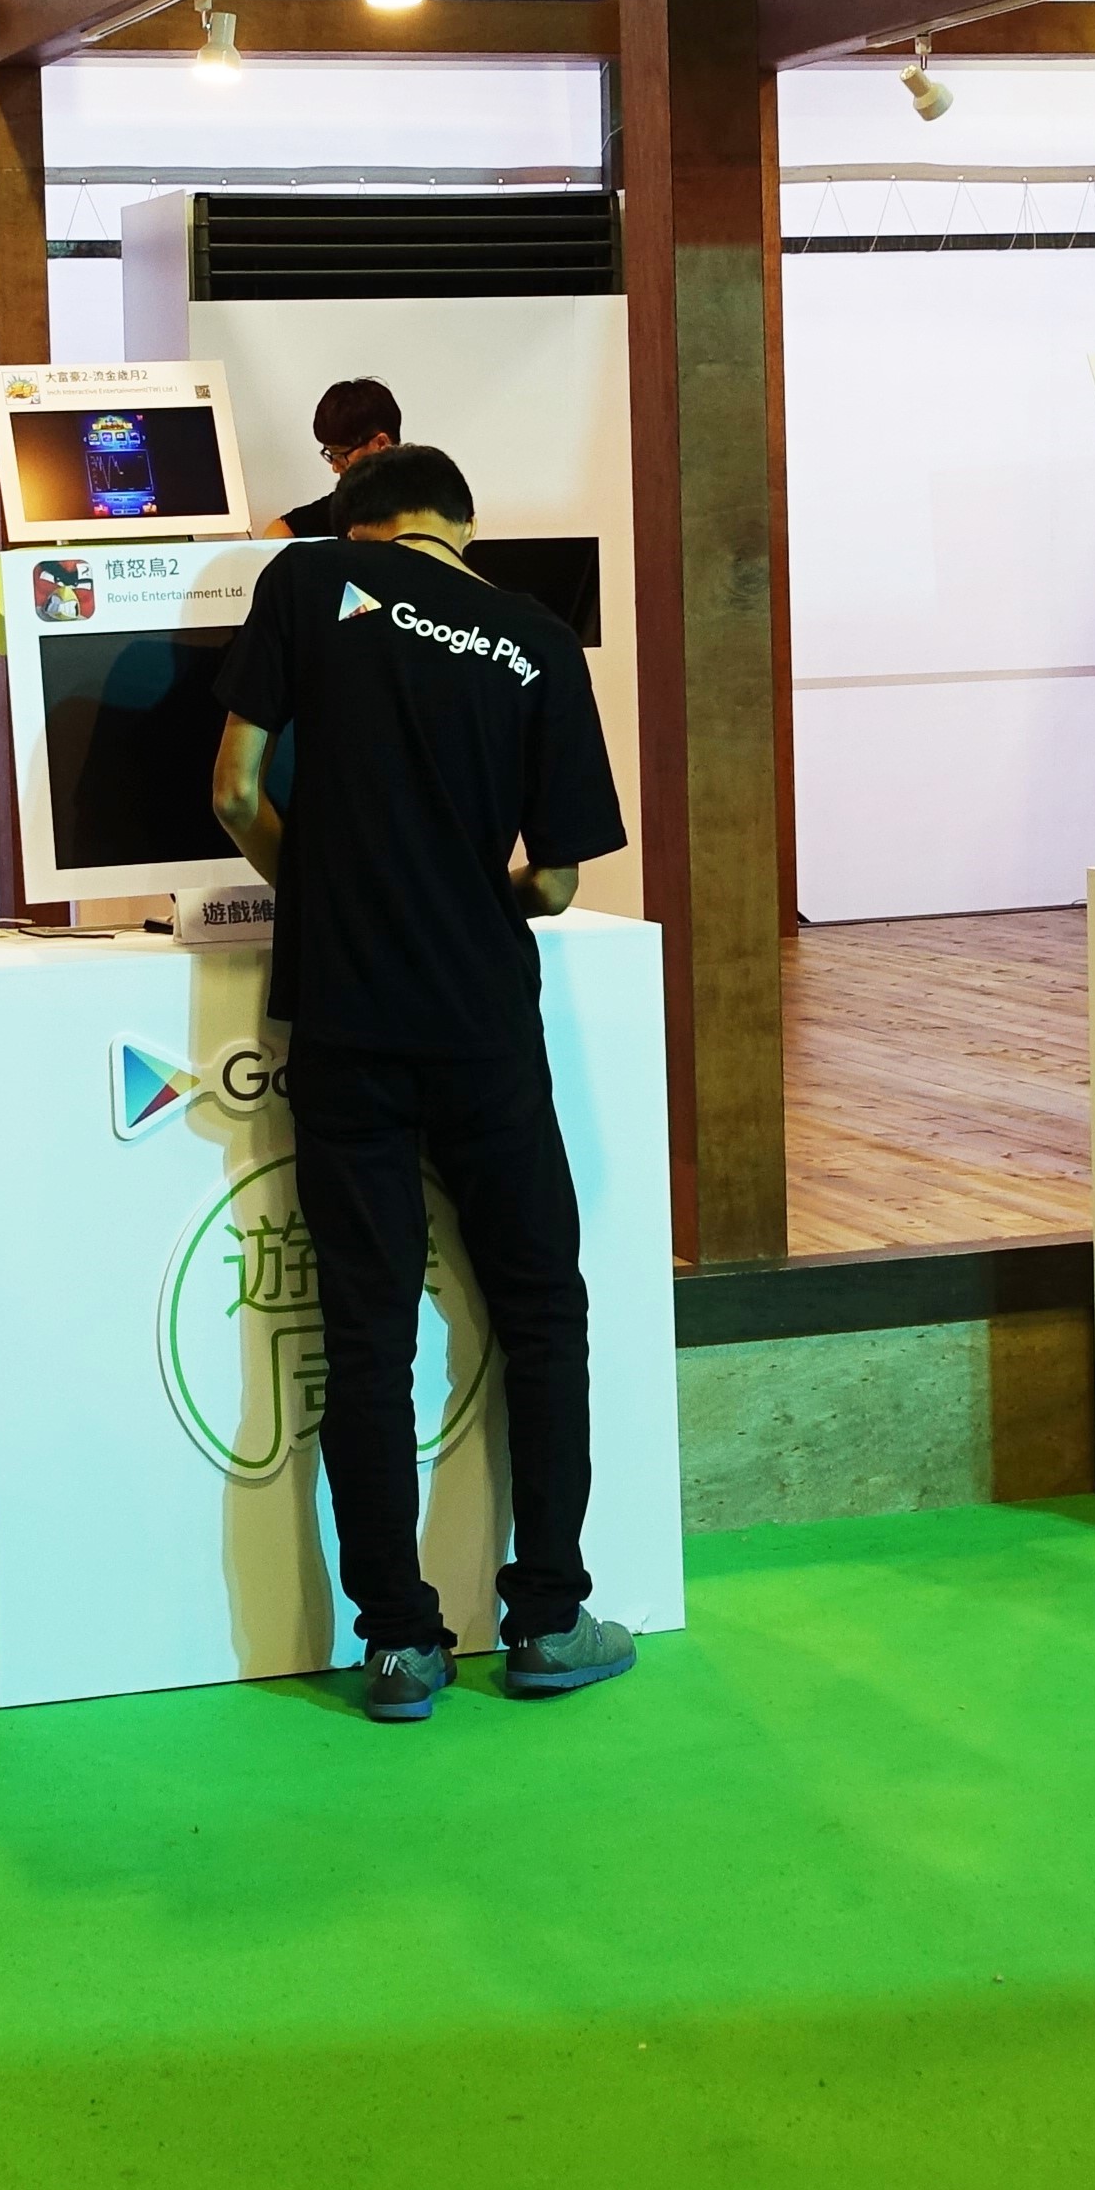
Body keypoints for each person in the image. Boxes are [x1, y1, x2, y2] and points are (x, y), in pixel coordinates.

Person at [206, 440, 640, 1723]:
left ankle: (398, 1645)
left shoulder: (306, 583)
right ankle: (548, 1619)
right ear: (463, 528)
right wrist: (472, 896)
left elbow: (234, 790)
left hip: (345, 1022)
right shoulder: (537, 640)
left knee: (367, 1332)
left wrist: (322, 893)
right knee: (540, 1311)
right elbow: (556, 878)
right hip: (481, 1023)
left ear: (359, 525)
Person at [269, 378, 406, 538]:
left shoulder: (423, 503)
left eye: (341, 455)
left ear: (381, 444)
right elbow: (279, 531)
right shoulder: (345, 505)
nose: (335, 467)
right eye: (331, 455)